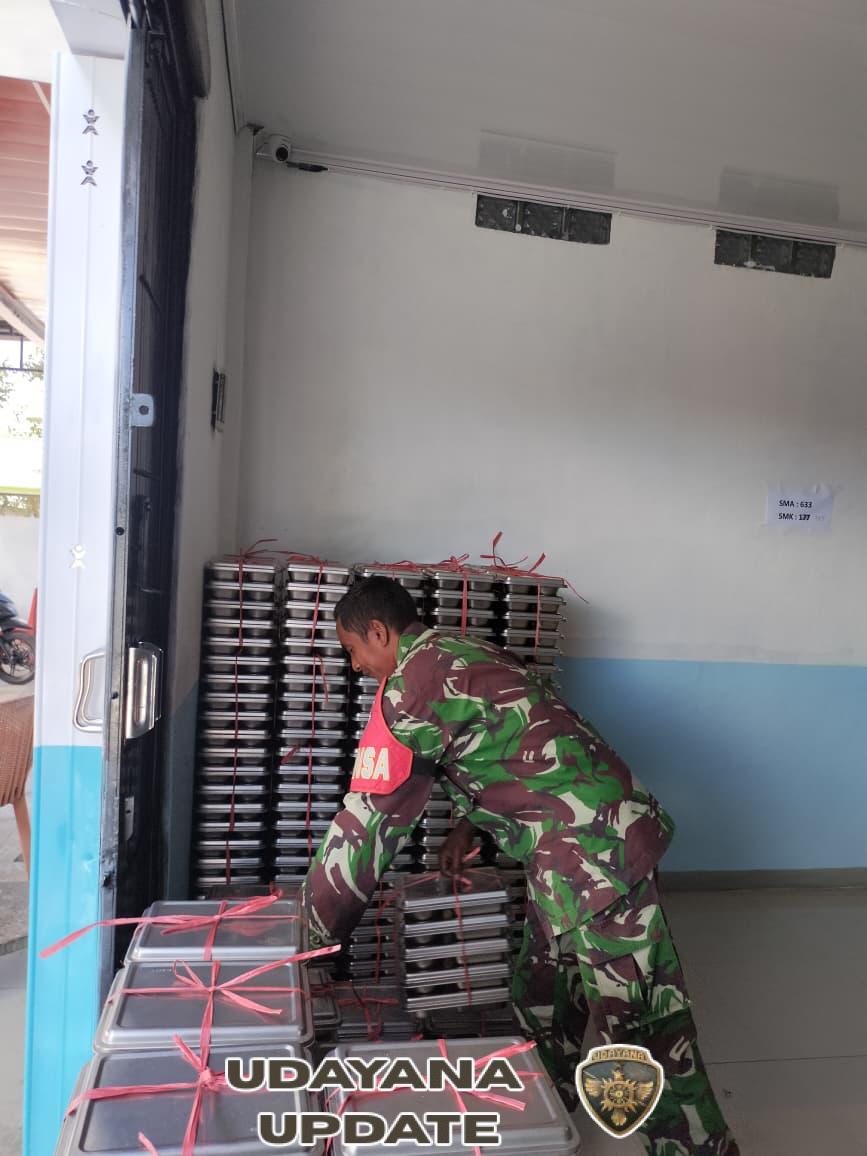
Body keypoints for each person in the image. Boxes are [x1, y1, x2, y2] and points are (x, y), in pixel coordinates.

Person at [300, 576, 739, 1155]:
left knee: (636, 1017)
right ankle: (544, 1103)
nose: (354, 666)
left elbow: (369, 828)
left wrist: (306, 939)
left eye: (352, 650)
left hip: (593, 853)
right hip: (565, 848)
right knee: (542, 983)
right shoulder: (462, 650)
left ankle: (697, 1147)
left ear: (378, 632)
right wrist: (467, 826)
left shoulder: (409, 688)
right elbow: (506, 744)